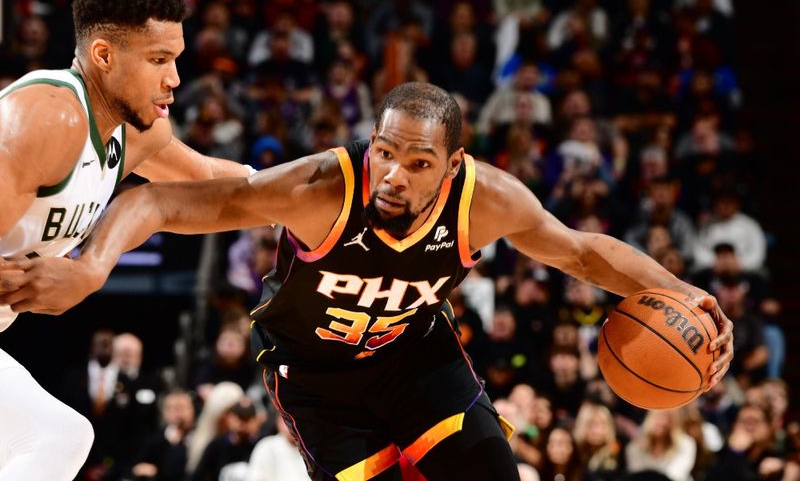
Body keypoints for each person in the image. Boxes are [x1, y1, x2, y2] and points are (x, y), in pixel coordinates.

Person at [4, 83, 734, 480]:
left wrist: (684, 295)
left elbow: (582, 254)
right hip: (318, 377)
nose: (393, 174)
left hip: (416, 361)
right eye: (385, 152)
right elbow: (156, 198)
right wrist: (91, 266)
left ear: (450, 168)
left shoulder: (489, 200)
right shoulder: (327, 185)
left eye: (417, 163)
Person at [0, 0, 253, 480]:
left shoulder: (133, 132)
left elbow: (207, 178)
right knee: (56, 437)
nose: (175, 78)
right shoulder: (48, 118)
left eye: (176, 59)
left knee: (61, 437)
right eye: (159, 60)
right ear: (103, 56)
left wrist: (318, 190)